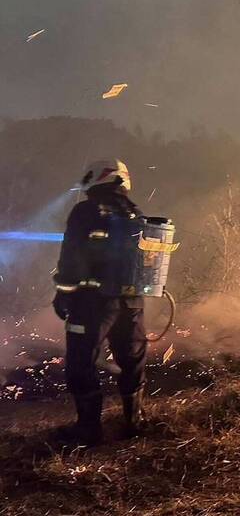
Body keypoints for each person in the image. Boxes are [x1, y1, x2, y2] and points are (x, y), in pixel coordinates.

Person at [52, 159, 147, 446]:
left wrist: (63, 293)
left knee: (82, 362)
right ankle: (134, 422)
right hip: (132, 301)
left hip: (92, 303)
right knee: (131, 359)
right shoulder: (136, 213)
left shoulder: (85, 211)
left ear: (97, 178)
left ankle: (89, 429)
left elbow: (71, 256)